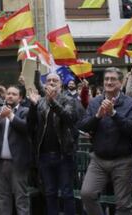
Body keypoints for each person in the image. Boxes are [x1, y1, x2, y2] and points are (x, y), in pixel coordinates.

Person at [79, 67, 132, 215]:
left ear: (120, 83)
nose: (109, 82)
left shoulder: (131, 103)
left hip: (123, 160)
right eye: (106, 79)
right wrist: (97, 116)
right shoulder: (95, 103)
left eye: (113, 79)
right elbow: (84, 126)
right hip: (98, 160)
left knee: (123, 205)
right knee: (87, 194)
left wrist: (113, 114)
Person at [27, 73, 77, 215]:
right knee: (49, 193)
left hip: (63, 155)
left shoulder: (68, 100)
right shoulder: (41, 102)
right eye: (48, 80)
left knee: (67, 193)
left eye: (55, 80)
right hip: (44, 155)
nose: (51, 82)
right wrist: (32, 105)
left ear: (60, 85)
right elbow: (30, 125)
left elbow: (69, 118)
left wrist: (53, 101)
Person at [0, 85, 31, 215]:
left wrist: (10, 115)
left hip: (17, 163)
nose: (10, 96)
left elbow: (25, 127)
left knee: (21, 199)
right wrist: (0, 117)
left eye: (14, 94)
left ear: (20, 98)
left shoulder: (25, 111)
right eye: (8, 93)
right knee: (3, 198)